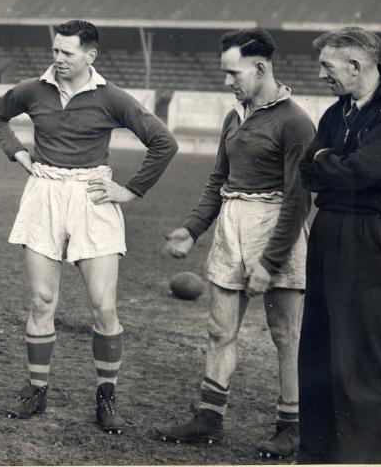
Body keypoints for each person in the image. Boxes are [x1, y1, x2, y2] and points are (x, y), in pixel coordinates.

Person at [0, 19, 178, 433]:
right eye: (55, 50)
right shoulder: (33, 90)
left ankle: (106, 400)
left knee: (104, 306)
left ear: (90, 56)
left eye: (67, 53)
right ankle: (36, 390)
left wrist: (131, 191)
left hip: (92, 197)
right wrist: (17, 153)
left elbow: (164, 143)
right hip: (45, 194)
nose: (58, 59)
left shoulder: (112, 98)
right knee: (41, 301)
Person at [157, 29, 315, 457]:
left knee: (285, 335)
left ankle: (291, 426)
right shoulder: (235, 117)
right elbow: (218, 180)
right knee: (219, 330)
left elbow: (299, 199)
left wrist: (271, 260)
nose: (227, 81)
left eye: (233, 73)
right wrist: (192, 229)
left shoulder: (296, 122)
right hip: (232, 227)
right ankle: (209, 419)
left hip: (275, 229)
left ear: (260, 67)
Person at [297, 27, 381, 464]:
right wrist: (333, 164)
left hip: (372, 238)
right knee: (319, 350)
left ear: (355, 66)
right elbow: (309, 169)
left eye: (327, 67)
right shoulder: (337, 113)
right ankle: (320, 455)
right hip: (329, 230)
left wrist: (329, 162)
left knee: (365, 357)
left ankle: (373, 459)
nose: (320, 75)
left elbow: (360, 172)